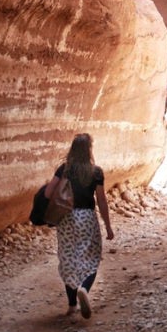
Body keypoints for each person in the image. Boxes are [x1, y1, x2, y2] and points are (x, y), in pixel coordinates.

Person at [44, 133, 114, 319]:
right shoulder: (96, 172)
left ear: (72, 149)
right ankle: (84, 288)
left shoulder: (64, 169)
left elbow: (49, 192)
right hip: (87, 219)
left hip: (66, 219)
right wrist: (108, 226)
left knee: (68, 258)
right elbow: (101, 200)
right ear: (89, 150)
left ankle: (72, 305)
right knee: (90, 258)